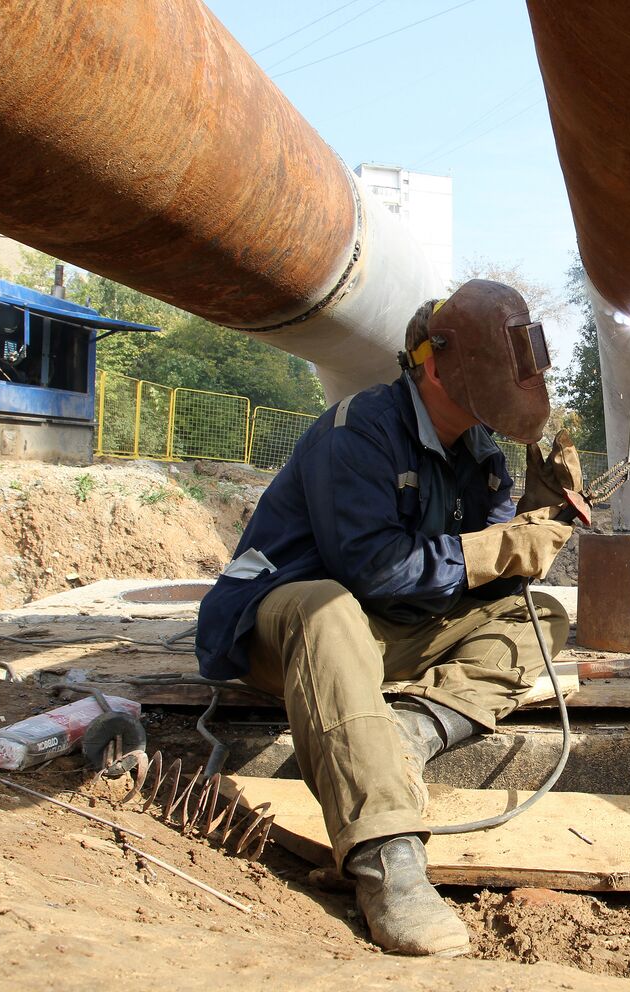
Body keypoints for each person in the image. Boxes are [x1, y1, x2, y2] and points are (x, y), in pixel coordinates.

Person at [196, 280, 581, 956]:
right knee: (327, 608)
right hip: (287, 627)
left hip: (383, 631)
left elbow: (478, 575)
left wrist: (536, 514)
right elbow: (374, 569)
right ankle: (386, 860)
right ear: (432, 362)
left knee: (534, 619)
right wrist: (499, 547)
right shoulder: (360, 431)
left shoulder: (482, 453)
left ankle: (406, 734)